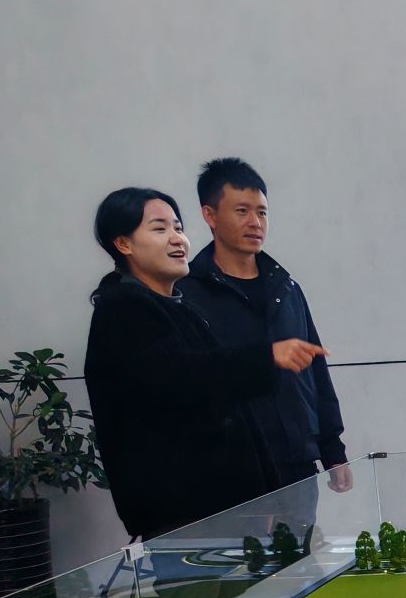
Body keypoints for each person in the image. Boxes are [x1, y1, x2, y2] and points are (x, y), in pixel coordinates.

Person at [83, 187, 324, 542]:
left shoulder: (177, 307)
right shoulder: (123, 309)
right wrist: (265, 356)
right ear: (123, 244)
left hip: (223, 510)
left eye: (178, 227)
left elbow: (228, 404)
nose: (177, 238)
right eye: (159, 228)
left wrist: (265, 496)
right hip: (185, 515)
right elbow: (180, 379)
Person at [181, 158, 351, 500]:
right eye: (242, 211)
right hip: (232, 470)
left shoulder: (286, 288)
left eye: (262, 212)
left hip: (297, 464)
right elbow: (194, 381)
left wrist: (333, 449)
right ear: (210, 215)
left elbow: (315, 372)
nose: (255, 222)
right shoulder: (188, 294)